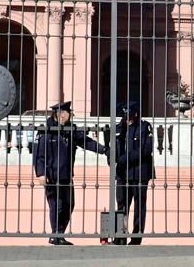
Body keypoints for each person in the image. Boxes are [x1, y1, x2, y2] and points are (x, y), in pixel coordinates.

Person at [32, 101, 104, 246]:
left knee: (70, 204)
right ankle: (56, 235)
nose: (65, 116)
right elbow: (39, 155)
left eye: (67, 113)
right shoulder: (46, 131)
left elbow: (86, 142)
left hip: (66, 175)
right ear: (56, 114)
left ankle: (59, 234)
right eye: (63, 113)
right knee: (56, 205)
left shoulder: (70, 130)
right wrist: (40, 173)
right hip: (52, 175)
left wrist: (105, 150)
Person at [110, 101, 156, 246]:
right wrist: (111, 157)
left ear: (135, 114)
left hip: (139, 173)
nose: (126, 118)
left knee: (139, 206)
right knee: (122, 205)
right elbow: (111, 147)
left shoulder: (144, 127)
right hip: (123, 173)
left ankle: (136, 238)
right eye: (124, 115)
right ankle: (120, 236)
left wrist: (125, 158)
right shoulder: (118, 129)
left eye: (129, 114)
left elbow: (146, 150)